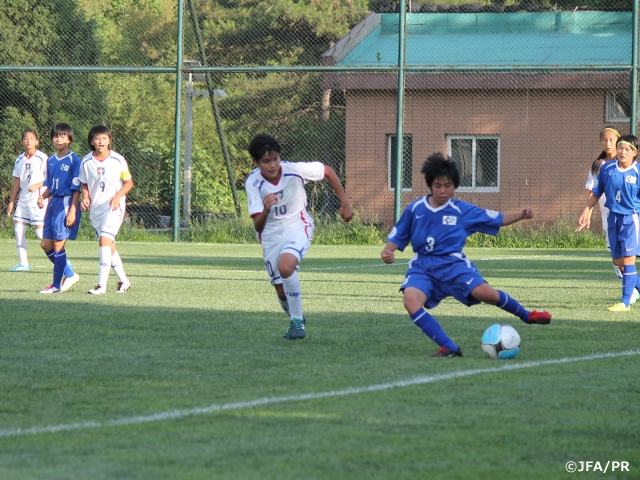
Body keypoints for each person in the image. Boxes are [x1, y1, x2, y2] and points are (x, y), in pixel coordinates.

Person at [381, 152, 551, 358]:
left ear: (455, 185)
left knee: (486, 294)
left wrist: (521, 215)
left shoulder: (461, 210)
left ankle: (527, 316)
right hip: (423, 267)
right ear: (430, 185)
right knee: (410, 301)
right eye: (438, 186)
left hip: (453, 265)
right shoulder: (415, 208)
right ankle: (449, 347)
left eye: (448, 185)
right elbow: (399, 234)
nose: (443, 191)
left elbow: (498, 219)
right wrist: (388, 250)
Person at [245, 133, 353, 340]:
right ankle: (296, 317)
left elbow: (327, 171)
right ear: (256, 162)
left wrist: (344, 202)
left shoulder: (294, 170)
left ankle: (296, 323)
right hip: (270, 236)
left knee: (286, 267)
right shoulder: (254, 183)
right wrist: (266, 210)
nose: (273, 165)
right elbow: (258, 227)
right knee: (281, 291)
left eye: (275, 158)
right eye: (266, 161)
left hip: (298, 226)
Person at [577, 134, 640, 312]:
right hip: (613, 218)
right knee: (618, 261)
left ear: (634, 153)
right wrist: (586, 210)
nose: (622, 151)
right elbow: (597, 191)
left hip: (631, 219)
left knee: (628, 261)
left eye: (627, 149)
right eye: (620, 147)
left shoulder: (638, 172)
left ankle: (625, 302)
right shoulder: (607, 169)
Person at [78, 125, 133, 294]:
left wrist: (117, 197)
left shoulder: (118, 160)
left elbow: (129, 183)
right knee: (109, 247)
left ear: (109, 140)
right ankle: (124, 281)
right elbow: (84, 183)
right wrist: (85, 198)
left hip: (113, 207)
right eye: (97, 138)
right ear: (92, 142)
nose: (100, 141)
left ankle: (101, 285)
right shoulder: (86, 161)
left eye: (104, 138)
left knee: (104, 241)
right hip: (96, 209)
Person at [37, 123, 82, 294]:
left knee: (58, 245)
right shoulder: (51, 160)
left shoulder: (73, 159)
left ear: (69, 139)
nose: (59, 139)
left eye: (63, 136)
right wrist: (42, 196)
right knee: (45, 244)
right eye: (56, 136)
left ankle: (56, 285)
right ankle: (69, 274)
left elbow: (76, 187)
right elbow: (50, 185)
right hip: (53, 204)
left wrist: (72, 209)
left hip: (66, 203)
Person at [6, 129, 49, 271]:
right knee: (19, 230)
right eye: (26, 138)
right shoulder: (19, 159)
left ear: (37, 141)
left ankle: (61, 259)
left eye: (32, 138)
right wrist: (12, 200)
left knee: (40, 234)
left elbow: (51, 178)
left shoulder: (43, 158)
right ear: (22, 141)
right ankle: (23, 263)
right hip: (23, 201)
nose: (28, 140)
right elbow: (17, 181)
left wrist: (38, 185)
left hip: (38, 200)